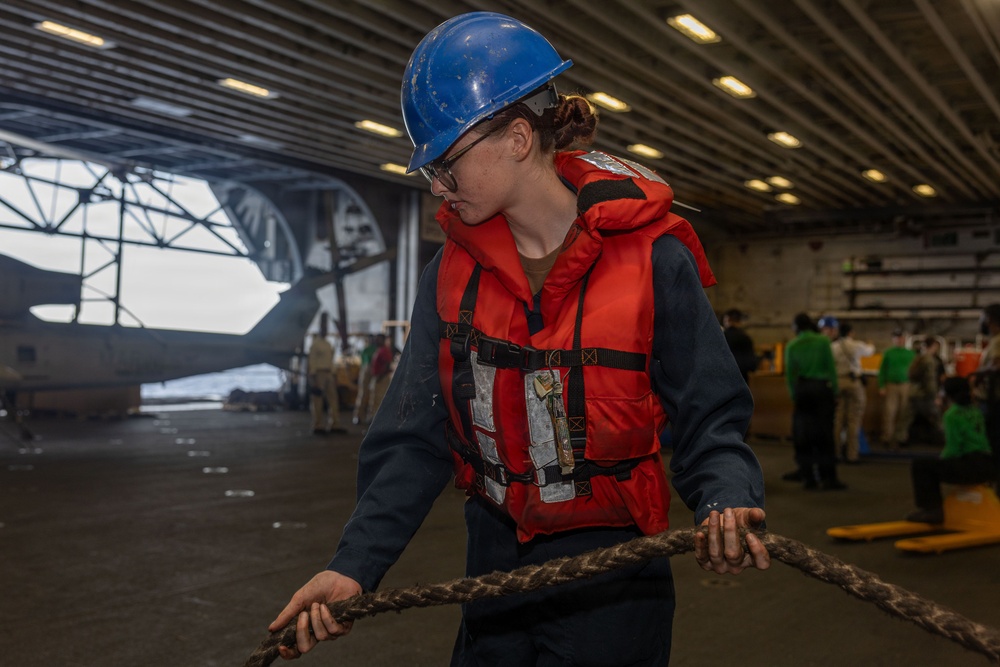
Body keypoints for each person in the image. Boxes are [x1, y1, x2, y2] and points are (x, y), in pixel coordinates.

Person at [267, 12, 768, 666]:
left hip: (616, 580)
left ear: (519, 137)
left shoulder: (652, 259)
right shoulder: (449, 277)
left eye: (447, 162)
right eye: (430, 170)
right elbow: (415, 438)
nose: (438, 185)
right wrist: (354, 564)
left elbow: (710, 412)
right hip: (494, 568)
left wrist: (726, 494)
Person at [906, 376, 995, 524]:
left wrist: (940, 462)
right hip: (988, 464)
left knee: (921, 466)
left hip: (970, 466)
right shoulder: (976, 411)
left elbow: (953, 448)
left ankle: (932, 510)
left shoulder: (951, 415)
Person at [784, 313, 844, 490]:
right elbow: (831, 368)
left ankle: (808, 476)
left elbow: (790, 376)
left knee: (803, 435)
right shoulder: (823, 342)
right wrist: (835, 391)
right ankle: (829, 477)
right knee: (825, 434)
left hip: (803, 391)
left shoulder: (792, 345)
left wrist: (794, 396)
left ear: (796, 327)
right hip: (822, 390)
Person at [821, 318, 875, 463]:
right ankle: (852, 455)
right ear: (851, 332)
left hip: (838, 382)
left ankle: (836, 453)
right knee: (854, 419)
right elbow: (870, 351)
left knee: (837, 419)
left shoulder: (833, 347)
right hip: (853, 383)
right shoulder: (856, 345)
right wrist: (870, 343)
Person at [972, 303, 1000, 482]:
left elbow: (997, 364)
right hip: (992, 400)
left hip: (994, 402)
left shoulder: (998, 341)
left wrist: (976, 375)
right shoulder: (994, 340)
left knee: (991, 444)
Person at [306, 313, 344, 435]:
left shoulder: (328, 344)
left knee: (333, 399)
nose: (325, 330)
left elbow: (331, 360)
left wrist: (334, 374)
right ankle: (317, 425)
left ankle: (335, 424)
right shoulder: (315, 344)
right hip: (319, 373)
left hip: (329, 373)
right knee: (318, 400)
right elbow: (311, 360)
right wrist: (313, 377)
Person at [877, 329, 915, 450]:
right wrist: (881, 385)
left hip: (906, 385)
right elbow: (882, 370)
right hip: (891, 384)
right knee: (889, 412)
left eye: (901, 337)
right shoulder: (888, 353)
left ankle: (901, 437)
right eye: (896, 338)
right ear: (893, 340)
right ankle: (887, 437)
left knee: (904, 412)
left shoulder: (911, 353)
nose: (899, 340)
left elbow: (915, 370)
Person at [907, 337, 945, 446]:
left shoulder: (918, 358)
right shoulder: (930, 360)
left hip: (914, 392)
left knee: (907, 417)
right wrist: (935, 396)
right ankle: (944, 439)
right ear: (933, 346)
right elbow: (930, 380)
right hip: (926, 394)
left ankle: (898, 440)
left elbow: (910, 374)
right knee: (937, 417)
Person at [722, 308, 757, 385]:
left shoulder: (721, 337)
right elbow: (752, 363)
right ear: (739, 321)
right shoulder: (745, 338)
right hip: (742, 379)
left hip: (723, 379)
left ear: (727, 320)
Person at [365, 333, 394, 420]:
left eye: (379, 339)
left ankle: (377, 421)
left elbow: (387, 364)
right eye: (376, 339)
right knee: (374, 399)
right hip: (378, 377)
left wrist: (380, 377)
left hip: (381, 378)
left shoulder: (384, 350)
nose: (376, 340)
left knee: (378, 399)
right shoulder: (379, 349)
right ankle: (373, 419)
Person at [352, 335, 377, 425]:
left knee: (371, 395)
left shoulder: (371, 349)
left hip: (371, 371)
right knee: (366, 394)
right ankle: (360, 415)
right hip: (369, 371)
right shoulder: (367, 350)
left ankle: (367, 416)